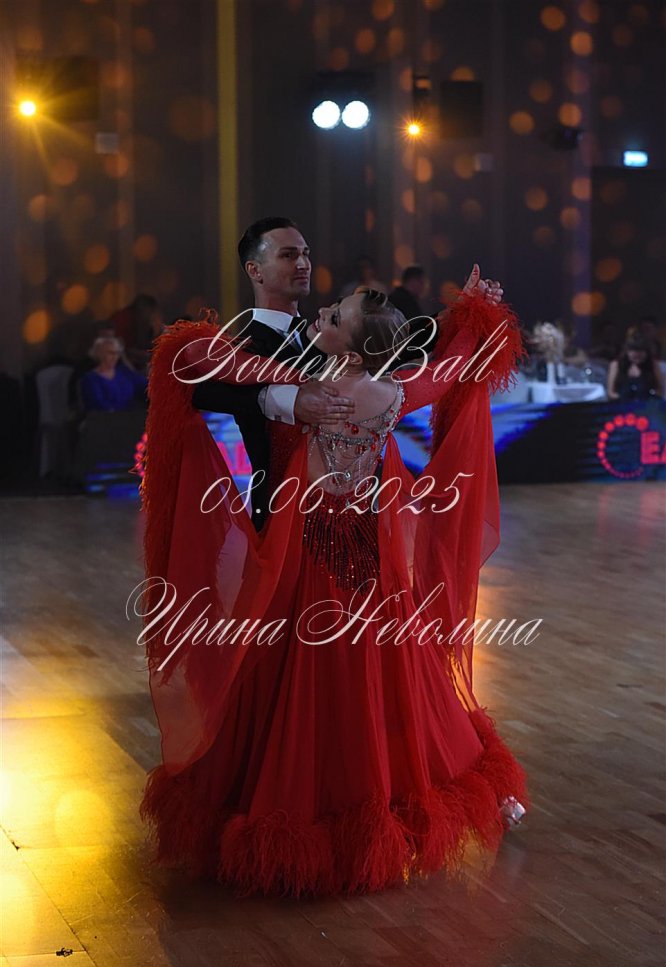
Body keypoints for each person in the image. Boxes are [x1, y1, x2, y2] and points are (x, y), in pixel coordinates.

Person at [136, 264, 530, 899]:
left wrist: (210, 353)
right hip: (357, 556)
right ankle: (421, 792)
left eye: (335, 317)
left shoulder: (319, 385)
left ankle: (311, 805)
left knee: (305, 669)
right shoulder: (383, 390)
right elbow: (451, 369)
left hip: (315, 553)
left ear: (354, 346)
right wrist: (473, 317)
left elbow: (213, 364)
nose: (321, 314)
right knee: (383, 675)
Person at [192, 217, 357, 531]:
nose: (303, 264)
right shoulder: (238, 351)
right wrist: (284, 399)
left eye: (305, 254)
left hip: (348, 518)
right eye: (288, 255)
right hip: (278, 516)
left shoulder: (328, 333)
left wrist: (451, 320)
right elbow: (196, 390)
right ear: (255, 271)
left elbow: (393, 341)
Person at [79, 336, 148, 411]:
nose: (115, 357)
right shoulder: (90, 379)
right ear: (99, 354)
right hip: (107, 417)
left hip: (132, 415)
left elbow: (145, 384)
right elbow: (98, 406)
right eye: (111, 353)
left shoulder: (124, 372)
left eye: (117, 353)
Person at [607, 330, 664, 401]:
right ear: (627, 352)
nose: (637, 358)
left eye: (640, 355)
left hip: (647, 403)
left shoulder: (653, 365)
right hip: (621, 403)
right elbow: (611, 393)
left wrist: (651, 396)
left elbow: (660, 391)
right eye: (634, 356)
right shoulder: (616, 365)